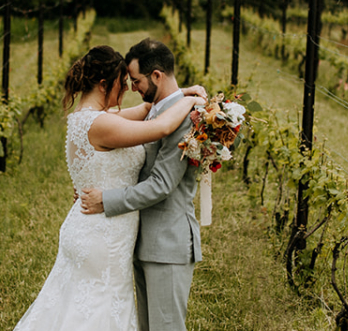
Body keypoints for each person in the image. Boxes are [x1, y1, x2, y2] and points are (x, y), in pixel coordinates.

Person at [13, 44, 206, 331]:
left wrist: (181, 92)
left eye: (133, 82)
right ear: (104, 84)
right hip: (102, 236)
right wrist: (192, 102)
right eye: (123, 84)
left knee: (81, 308)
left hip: (94, 230)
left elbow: (146, 110)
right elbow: (162, 126)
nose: (128, 90)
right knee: (96, 313)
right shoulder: (101, 124)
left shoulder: (83, 119)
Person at [79, 38, 203, 331]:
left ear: (157, 76)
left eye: (135, 81)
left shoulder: (185, 119)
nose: (131, 88)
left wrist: (105, 199)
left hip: (167, 245)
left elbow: (161, 184)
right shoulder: (158, 109)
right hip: (144, 242)